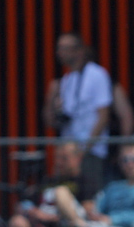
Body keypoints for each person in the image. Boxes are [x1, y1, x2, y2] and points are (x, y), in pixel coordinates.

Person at [43, 32, 112, 200]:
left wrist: (83, 150)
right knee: (66, 197)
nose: (60, 53)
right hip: (68, 154)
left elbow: (103, 116)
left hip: (90, 151)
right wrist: (51, 98)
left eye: (65, 48)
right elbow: (52, 121)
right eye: (59, 48)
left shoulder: (97, 74)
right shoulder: (67, 79)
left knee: (90, 199)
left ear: (79, 51)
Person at [84, 143, 134, 227]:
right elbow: (97, 210)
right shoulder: (112, 187)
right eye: (125, 160)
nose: (130, 164)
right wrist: (91, 212)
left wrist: (112, 219)